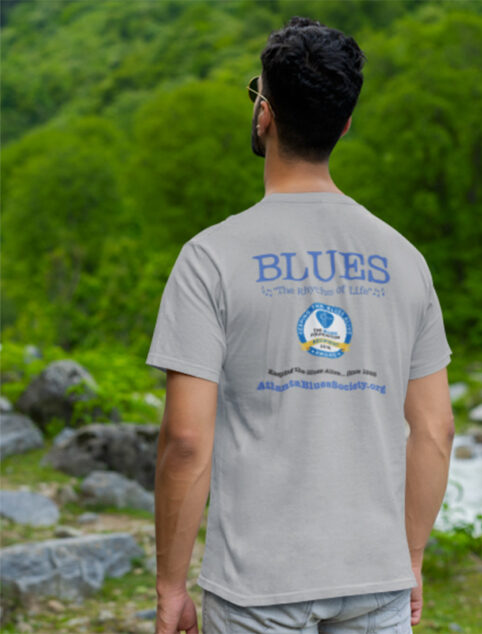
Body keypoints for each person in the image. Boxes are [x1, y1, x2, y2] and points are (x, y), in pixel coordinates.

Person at [148, 15, 455, 634]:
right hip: (378, 581)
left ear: (265, 112)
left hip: (258, 585)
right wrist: (410, 559)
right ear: (344, 123)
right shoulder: (404, 258)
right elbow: (435, 429)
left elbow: (185, 441)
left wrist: (171, 585)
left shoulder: (210, 257)